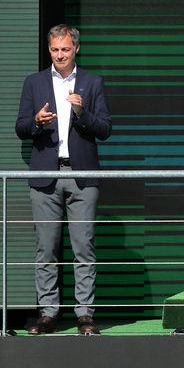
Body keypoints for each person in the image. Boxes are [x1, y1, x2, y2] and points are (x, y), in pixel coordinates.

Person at [15, 25, 112, 335]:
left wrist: (82, 114)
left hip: (82, 175)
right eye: (55, 50)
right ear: (50, 50)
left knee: (83, 248)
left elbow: (105, 129)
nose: (59, 55)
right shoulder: (34, 82)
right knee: (46, 249)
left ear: (76, 50)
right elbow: (20, 127)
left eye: (65, 50)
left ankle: (84, 315)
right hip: (46, 175)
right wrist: (36, 122)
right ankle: (48, 314)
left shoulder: (92, 83)